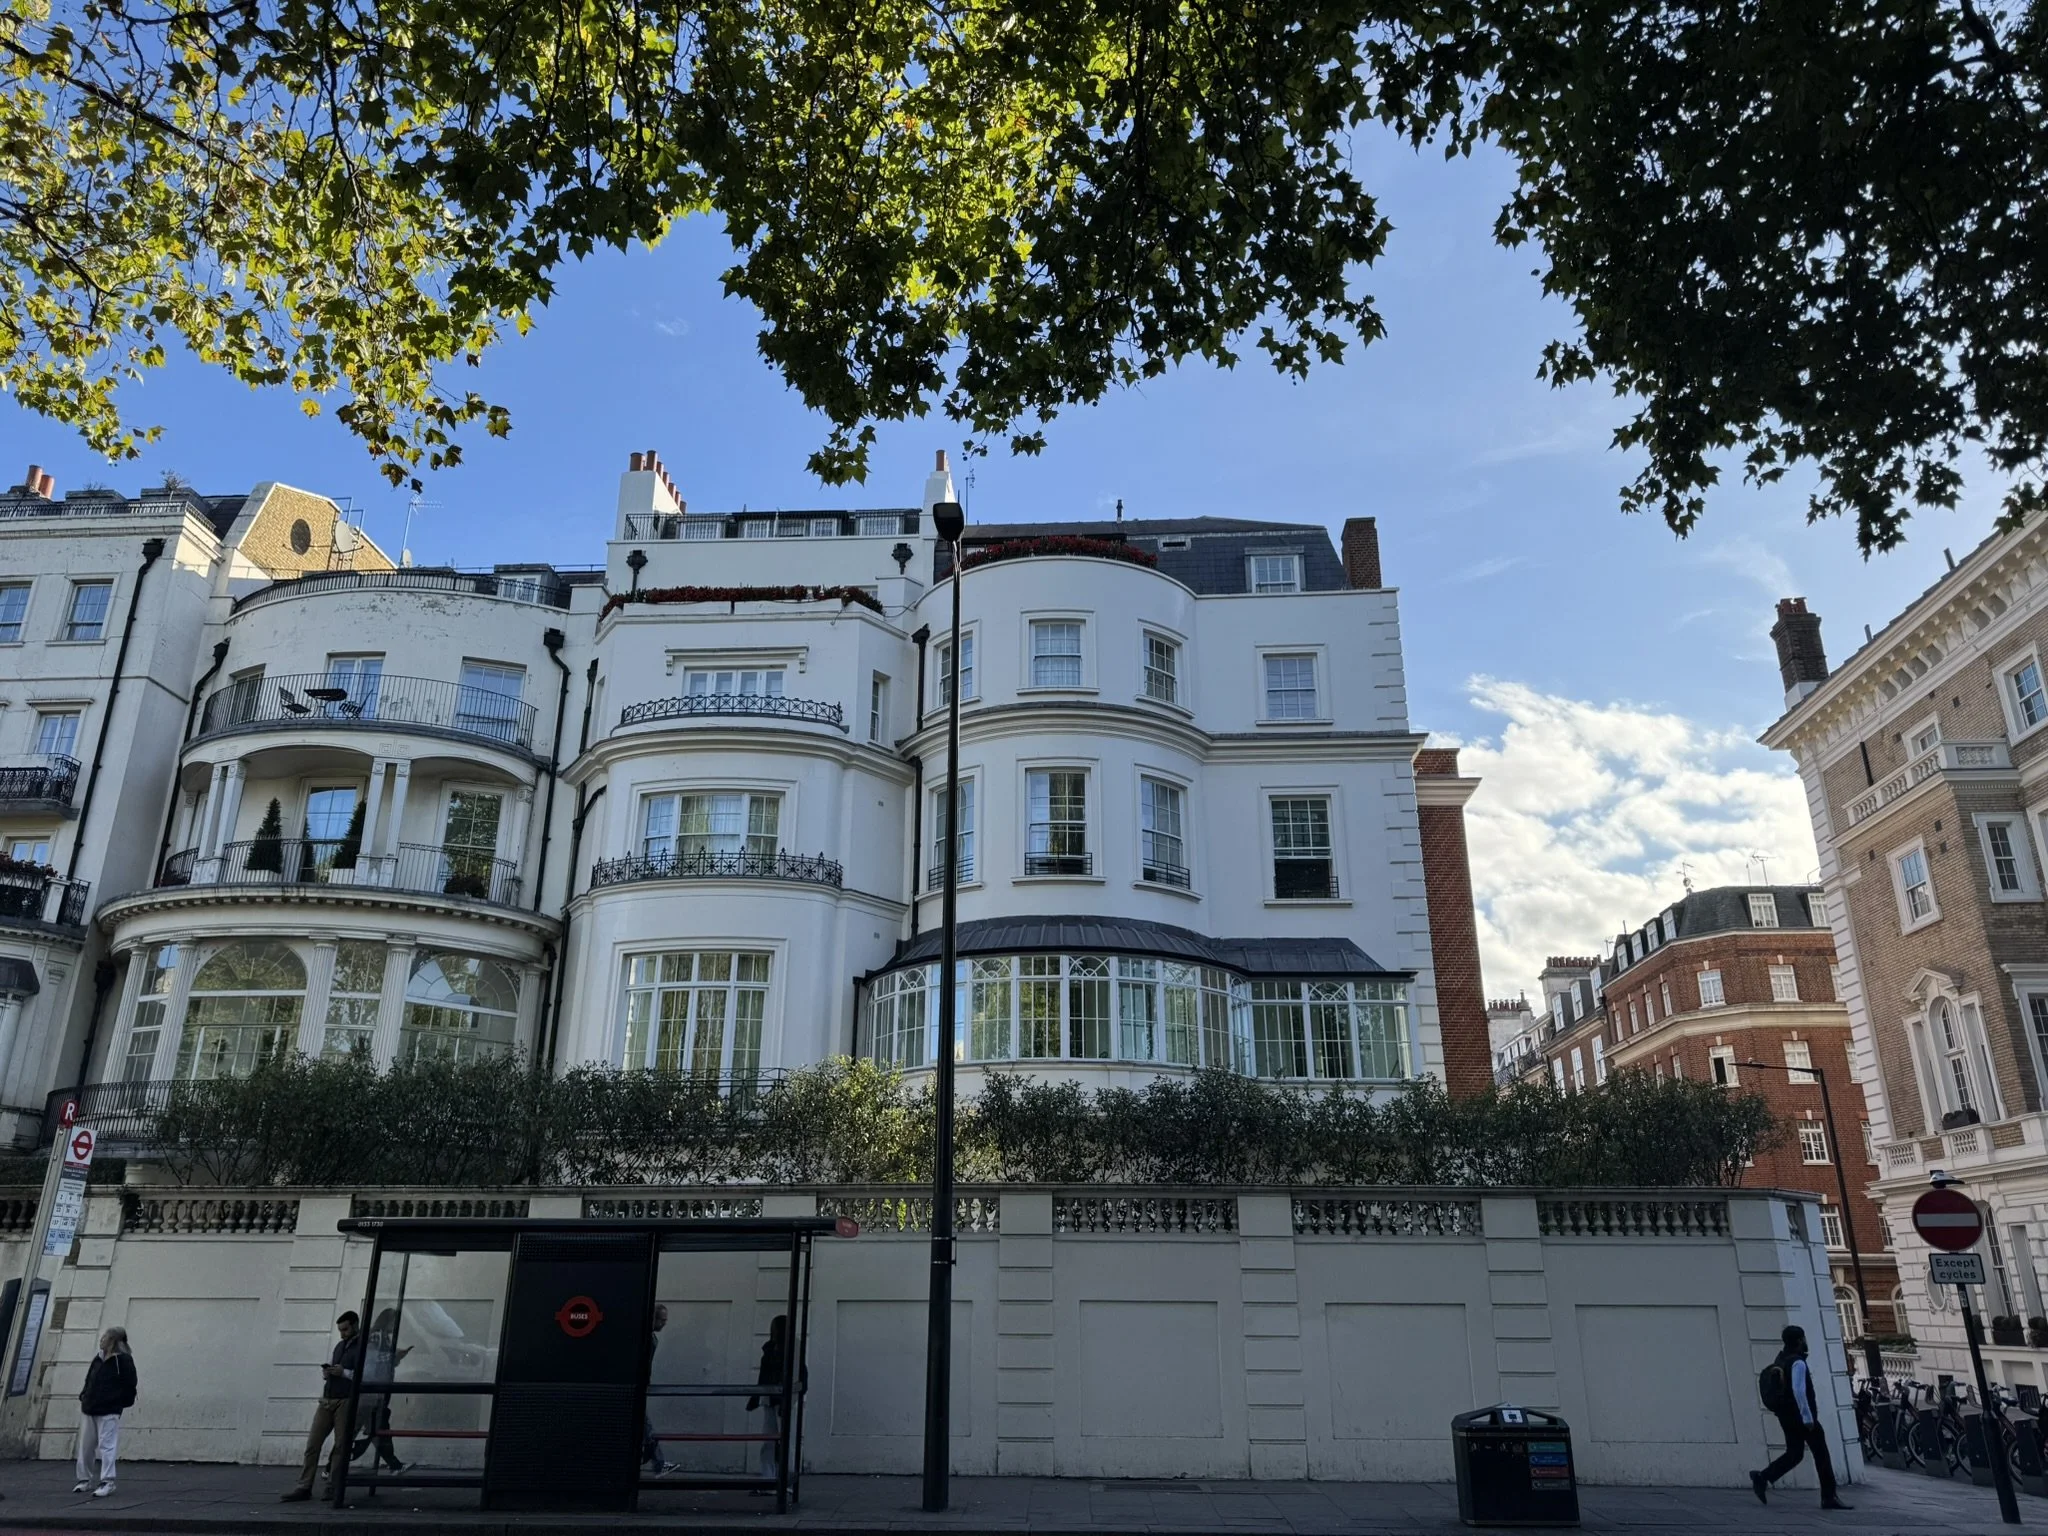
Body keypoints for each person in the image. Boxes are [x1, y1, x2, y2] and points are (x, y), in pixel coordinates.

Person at [1751, 1323, 1852, 1510]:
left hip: (1785, 1416)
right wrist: (1807, 1418)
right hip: (1801, 1417)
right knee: (1821, 1453)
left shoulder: (1781, 1359)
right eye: (1803, 1338)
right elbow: (1799, 1390)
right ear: (1799, 1340)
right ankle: (1829, 1497)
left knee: (1795, 1453)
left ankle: (1762, 1477)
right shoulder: (1797, 1362)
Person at [283, 1312, 363, 1502]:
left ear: (355, 1325)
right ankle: (304, 1486)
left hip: (346, 1399)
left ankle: (332, 1487)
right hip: (328, 1398)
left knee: (340, 1446)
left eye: (345, 1329)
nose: (342, 1334)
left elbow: (364, 1375)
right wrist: (328, 1374)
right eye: (340, 1330)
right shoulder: (339, 1347)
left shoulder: (363, 1347)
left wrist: (344, 1373)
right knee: (313, 1444)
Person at [74, 1327, 137, 1498]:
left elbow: (130, 1385)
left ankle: (107, 1481)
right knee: (86, 1446)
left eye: (105, 1337)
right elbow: (90, 1379)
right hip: (90, 1407)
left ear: (113, 1342)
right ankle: (84, 1479)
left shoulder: (123, 1361)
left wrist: (119, 1403)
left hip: (109, 1410)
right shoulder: (98, 1358)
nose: (101, 1340)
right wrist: (84, 1395)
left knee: (107, 1445)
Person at [745, 1315, 804, 1489]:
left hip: (777, 1398)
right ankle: (771, 1478)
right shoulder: (774, 1348)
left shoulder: (781, 1348)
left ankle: (777, 1478)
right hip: (771, 1398)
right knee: (770, 1440)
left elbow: (772, 1374)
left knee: (778, 1440)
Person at [350, 1308, 409, 1474]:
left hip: (376, 1389)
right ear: (387, 1321)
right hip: (372, 1390)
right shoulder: (378, 1335)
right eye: (394, 1322)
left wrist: (395, 1358)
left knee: (375, 1429)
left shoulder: (383, 1337)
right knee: (373, 1428)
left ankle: (395, 1464)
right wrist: (395, 1356)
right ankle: (332, 1465)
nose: (396, 1326)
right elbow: (372, 1358)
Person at [642, 1303, 669, 1476]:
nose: (664, 1323)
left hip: (643, 1384)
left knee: (645, 1426)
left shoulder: (650, 1336)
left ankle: (658, 1462)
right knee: (645, 1426)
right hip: (641, 1386)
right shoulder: (647, 1337)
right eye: (662, 1320)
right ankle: (659, 1463)